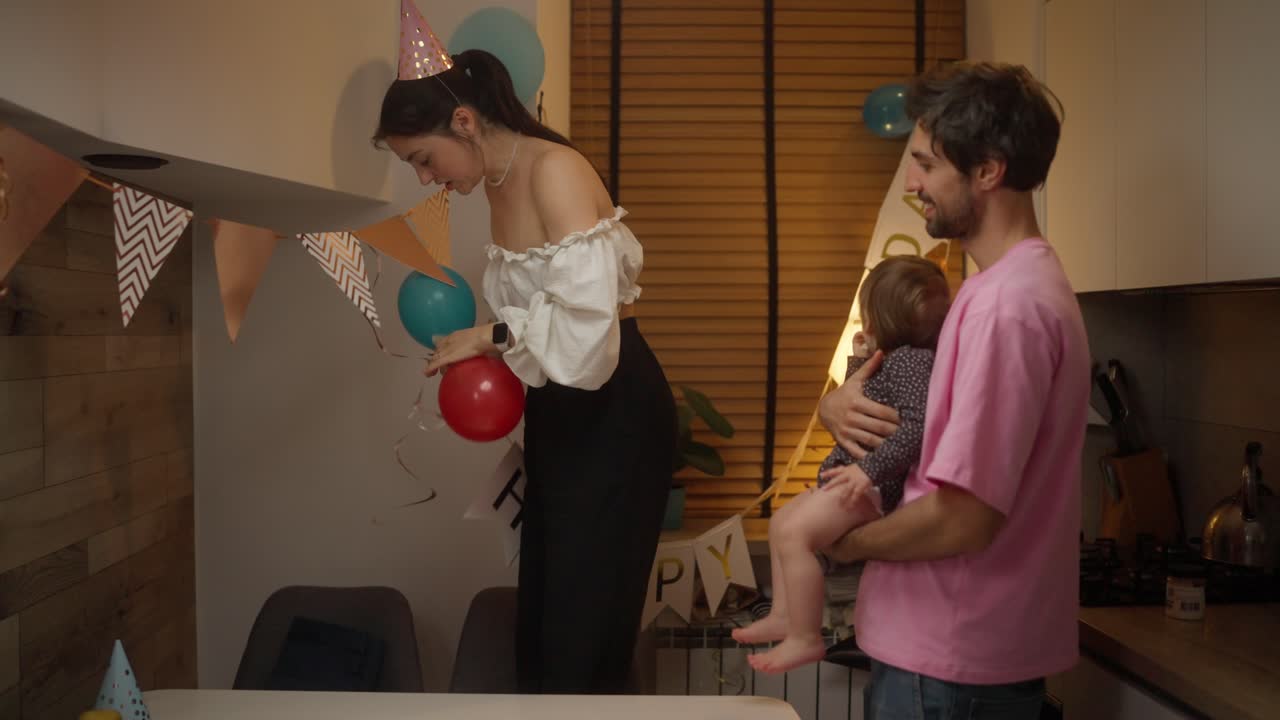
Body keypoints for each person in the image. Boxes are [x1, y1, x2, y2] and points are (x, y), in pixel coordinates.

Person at [373, 49, 676, 694]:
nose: (425, 178)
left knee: (584, 622)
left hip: (615, 409)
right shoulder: (497, 181)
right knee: (543, 612)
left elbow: (588, 331)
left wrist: (488, 336)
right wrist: (488, 343)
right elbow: (540, 322)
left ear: (463, 121)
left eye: (423, 159)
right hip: (560, 409)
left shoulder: (554, 170)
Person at [819, 61, 1089, 719]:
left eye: (926, 165)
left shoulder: (1007, 308)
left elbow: (966, 516)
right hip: (951, 658)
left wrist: (842, 542)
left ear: (988, 170)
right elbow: (929, 432)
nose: (911, 183)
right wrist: (838, 407)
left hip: (949, 664)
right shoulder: (995, 289)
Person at [730, 256, 949, 674]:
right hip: (858, 479)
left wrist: (867, 471)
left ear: (879, 317)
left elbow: (918, 428)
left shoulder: (911, 362)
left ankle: (805, 636)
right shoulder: (896, 359)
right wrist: (858, 356)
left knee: (794, 534)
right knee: (781, 523)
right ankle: (784, 615)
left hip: (870, 487)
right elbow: (862, 395)